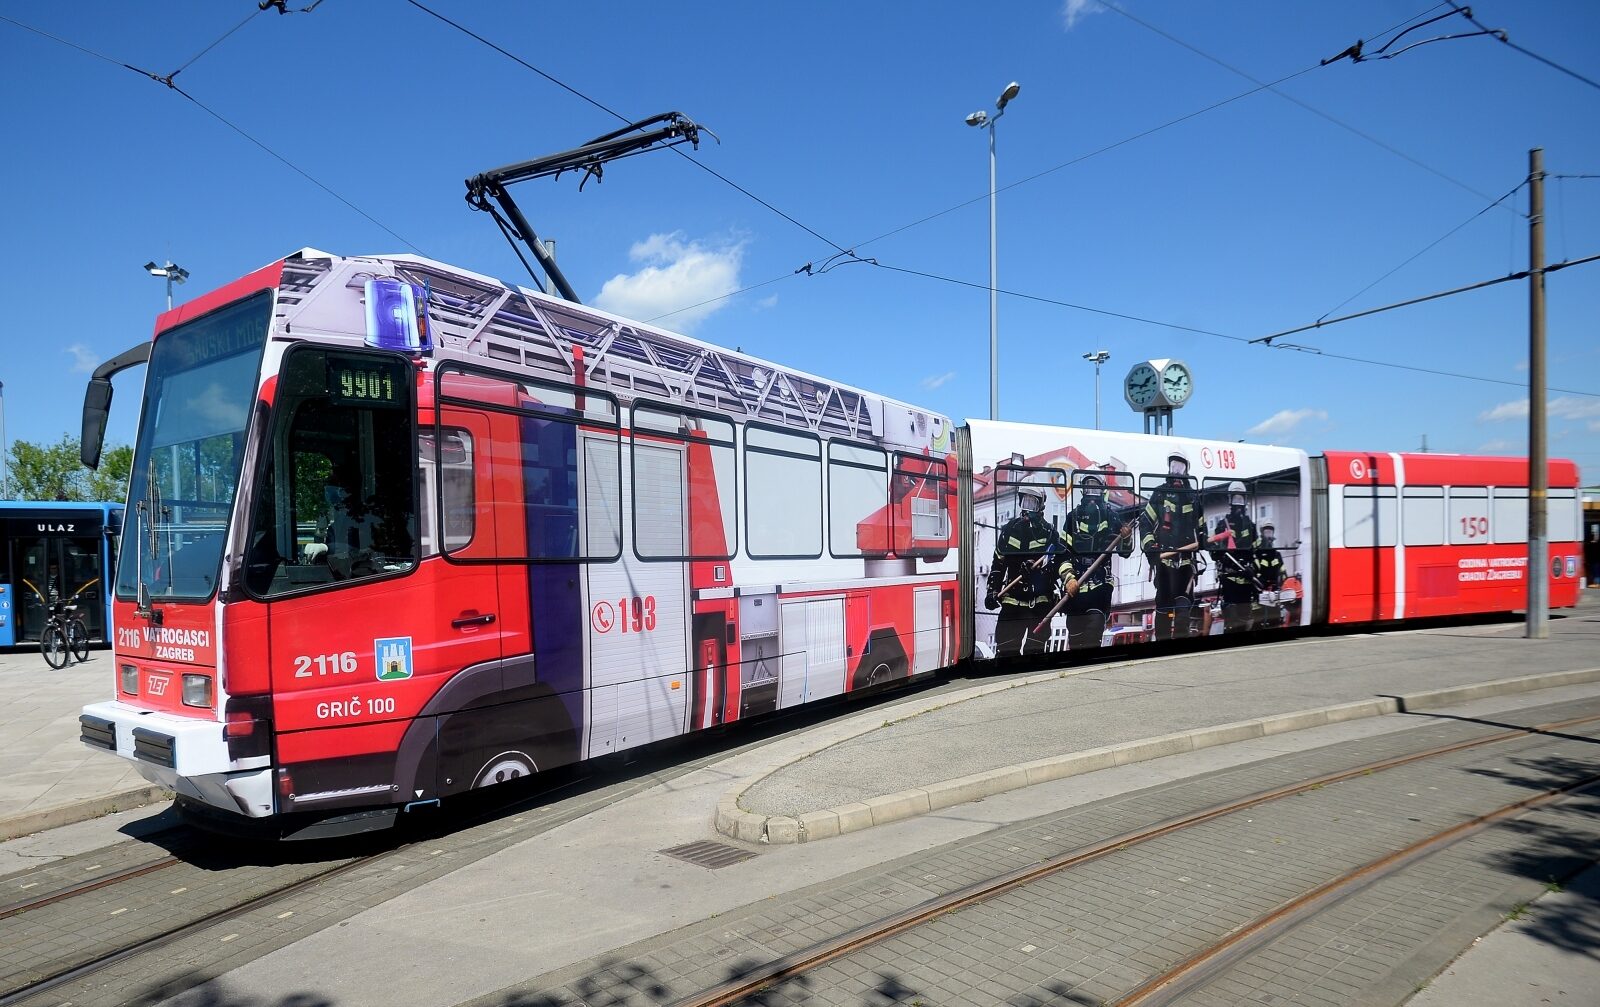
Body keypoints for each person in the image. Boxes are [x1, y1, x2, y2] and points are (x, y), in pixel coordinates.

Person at [1057, 473, 1132, 649]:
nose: (1091, 492)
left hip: (1100, 586)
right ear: (1082, 490)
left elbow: (1125, 552)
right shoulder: (1072, 517)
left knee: (1093, 632)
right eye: (1088, 487)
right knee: (1075, 640)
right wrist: (1069, 579)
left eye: (1095, 487)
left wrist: (1126, 537)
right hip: (1076, 587)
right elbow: (1062, 555)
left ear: (1102, 490)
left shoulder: (1111, 517)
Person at [984, 486, 1060, 656]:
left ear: (1040, 506)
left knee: (1034, 654)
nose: (1027, 508)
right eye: (1025, 501)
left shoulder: (1049, 533)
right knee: (1006, 652)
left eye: (1032, 503)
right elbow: (998, 564)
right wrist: (992, 590)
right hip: (1012, 601)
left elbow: (1055, 564)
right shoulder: (1009, 530)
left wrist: (1039, 568)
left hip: (1038, 604)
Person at [1141, 450, 1204, 640]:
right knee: (1163, 614)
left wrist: (1203, 539)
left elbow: (1202, 527)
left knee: (1183, 614)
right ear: (1169, 467)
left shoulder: (1192, 497)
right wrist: (1151, 546)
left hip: (1185, 565)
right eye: (1173, 466)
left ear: (1186, 470)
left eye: (1180, 467)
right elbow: (1145, 523)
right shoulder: (1159, 494)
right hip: (1164, 566)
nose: (1176, 471)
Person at [1209, 481, 1261, 633]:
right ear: (1230, 500)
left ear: (1245, 500)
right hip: (1229, 580)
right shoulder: (1222, 525)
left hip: (1247, 581)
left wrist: (1253, 568)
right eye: (1235, 498)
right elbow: (1213, 550)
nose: (1238, 503)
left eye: (1241, 498)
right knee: (1231, 623)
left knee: (1246, 621)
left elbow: (1257, 552)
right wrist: (1220, 554)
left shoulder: (1250, 526)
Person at [1254, 522, 1287, 628]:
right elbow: (1254, 574)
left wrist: (1281, 586)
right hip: (1261, 593)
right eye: (1266, 532)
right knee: (1259, 621)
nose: (1269, 535)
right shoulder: (1257, 554)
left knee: (1275, 620)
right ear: (1262, 534)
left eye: (1270, 532)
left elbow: (1283, 573)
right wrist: (1260, 588)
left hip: (1275, 593)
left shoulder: (1277, 555)